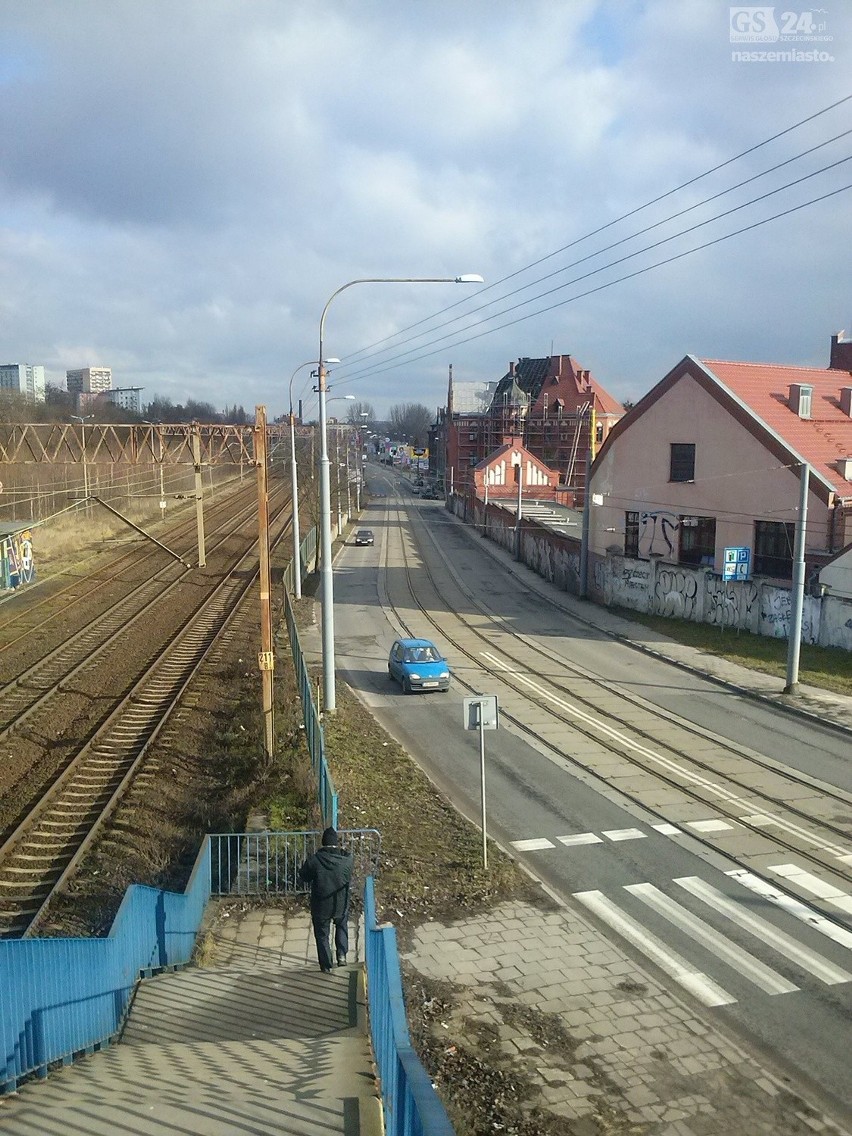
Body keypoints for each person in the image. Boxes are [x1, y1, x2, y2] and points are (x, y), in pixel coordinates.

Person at [298, 827, 353, 973]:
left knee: (322, 935)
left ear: (323, 843)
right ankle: (341, 955)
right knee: (342, 926)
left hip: (321, 904)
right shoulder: (346, 860)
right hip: (340, 902)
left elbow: (303, 875)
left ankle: (326, 965)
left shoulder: (315, 860)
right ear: (336, 843)